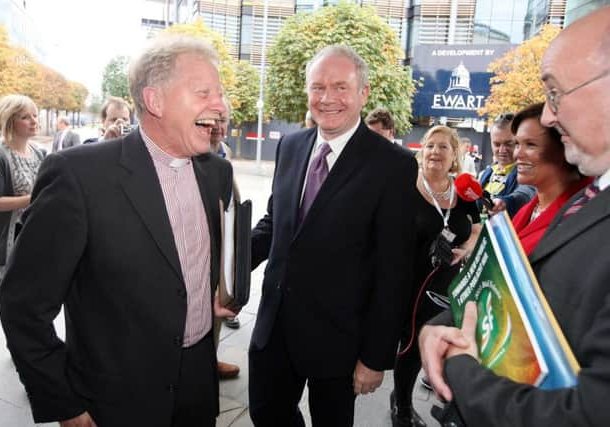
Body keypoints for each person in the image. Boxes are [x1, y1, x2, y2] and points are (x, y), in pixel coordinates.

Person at [0, 35, 236, 427]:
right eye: (204, 92)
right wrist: (64, 402)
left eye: (221, 94)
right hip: (115, 399)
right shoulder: (78, 176)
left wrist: (214, 293)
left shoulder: (217, 173)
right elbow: (22, 306)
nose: (221, 105)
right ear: (155, 101)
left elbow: (192, 260)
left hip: (197, 385)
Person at [418, 6, 610, 426]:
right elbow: (515, 289)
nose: (548, 114)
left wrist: (460, 365)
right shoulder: (589, 202)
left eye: (556, 93)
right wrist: (441, 325)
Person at [249, 45, 418, 426]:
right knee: (266, 416)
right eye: (318, 87)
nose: (327, 98)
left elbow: (394, 272)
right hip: (274, 330)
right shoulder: (290, 146)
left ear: (363, 93)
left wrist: (375, 358)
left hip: (340, 343)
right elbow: (275, 225)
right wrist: (228, 271)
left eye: (340, 87)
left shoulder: (394, 166)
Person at [390, 126, 480, 427]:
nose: (435, 152)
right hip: (404, 280)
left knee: (417, 345)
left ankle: (400, 403)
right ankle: (399, 401)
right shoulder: (404, 184)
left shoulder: (465, 192)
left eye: (443, 147)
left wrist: (465, 248)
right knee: (405, 343)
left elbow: (477, 228)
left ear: (454, 154)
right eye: (430, 146)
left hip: (443, 284)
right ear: (421, 150)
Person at [0, 95, 45, 281]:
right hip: (8, 241)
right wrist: (36, 197)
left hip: (34, 237)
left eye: (35, 115)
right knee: (15, 301)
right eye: (25, 117)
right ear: (8, 121)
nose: (34, 121)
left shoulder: (38, 152)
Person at [511, 102, 592, 255]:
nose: (517, 154)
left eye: (530, 144)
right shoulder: (525, 212)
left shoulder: (585, 210)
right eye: (516, 144)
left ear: (565, 147)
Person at [210, 98, 241, 381]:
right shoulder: (192, 152)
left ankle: (210, 361)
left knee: (217, 315)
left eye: (224, 120)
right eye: (214, 119)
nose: (219, 126)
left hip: (223, 251)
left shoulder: (225, 153)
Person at [478, 113, 535, 217]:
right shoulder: (485, 174)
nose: (502, 150)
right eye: (497, 144)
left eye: (509, 143)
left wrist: (506, 202)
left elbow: (525, 194)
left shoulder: (527, 172)